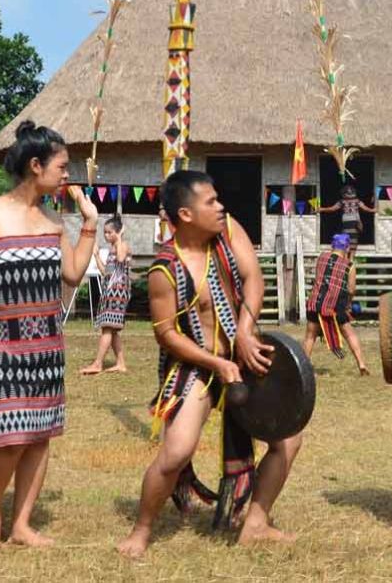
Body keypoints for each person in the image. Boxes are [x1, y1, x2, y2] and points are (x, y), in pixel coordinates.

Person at [118, 170, 299, 558]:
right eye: (211, 202)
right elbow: (167, 335)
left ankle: (255, 524)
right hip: (195, 365)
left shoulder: (228, 231)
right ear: (185, 215)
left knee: (288, 438)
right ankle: (141, 529)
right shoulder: (164, 269)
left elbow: (253, 279)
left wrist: (245, 332)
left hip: (241, 352)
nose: (221, 207)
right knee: (177, 452)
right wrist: (215, 363)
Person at [0, 122, 100, 549]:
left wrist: (89, 225)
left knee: (38, 436)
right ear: (36, 165)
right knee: (9, 436)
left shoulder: (52, 219)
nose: (68, 174)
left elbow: (71, 273)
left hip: (45, 344)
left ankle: (23, 523)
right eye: (62, 166)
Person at [300, 233, 370, 374]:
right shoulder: (349, 266)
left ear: (333, 245)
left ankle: (303, 366)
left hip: (316, 303)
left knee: (310, 336)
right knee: (350, 335)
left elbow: (319, 279)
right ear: (347, 247)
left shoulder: (321, 258)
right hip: (335, 307)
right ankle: (362, 365)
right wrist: (348, 304)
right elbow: (351, 289)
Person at [82, 215, 131, 375]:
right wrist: (96, 255)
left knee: (107, 328)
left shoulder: (122, 245)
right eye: (105, 233)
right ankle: (120, 363)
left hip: (117, 292)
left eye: (109, 232)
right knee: (113, 329)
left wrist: (120, 237)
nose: (106, 235)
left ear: (117, 232)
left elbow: (121, 258)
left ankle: (97, 363)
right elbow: (106, 273)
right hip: (110, 291)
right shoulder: (112, 249)